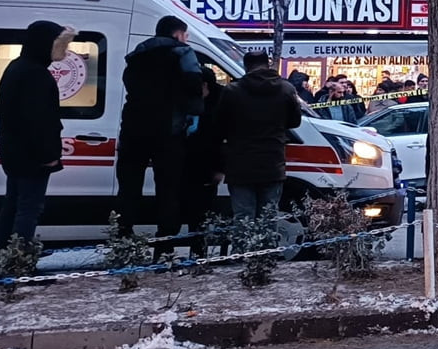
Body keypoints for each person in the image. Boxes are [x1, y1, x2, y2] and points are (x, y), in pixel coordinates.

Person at [115, 15, 204, 248]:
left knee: (129, 185)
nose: (186, 39)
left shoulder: (137, 54)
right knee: (168, 188)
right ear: (177, 34)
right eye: (185, 35)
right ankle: (165, 241)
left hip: (133, 127)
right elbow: (194, 85)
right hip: (168, 129)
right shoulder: (182, 52)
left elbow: (130, 84)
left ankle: (123, 236)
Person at [0, 21, 75, 250]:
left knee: (12, 206)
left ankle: (4, 255)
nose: (64, 50)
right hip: (32, 157)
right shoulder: (36, 74)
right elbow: (39, 121)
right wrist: (48, 155)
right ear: (46, 44)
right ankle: (18, 261)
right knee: (28, 209)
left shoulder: (18, 67)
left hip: (15, 153)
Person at [216, 51, 303, 221]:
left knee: (243, 218)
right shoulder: (286, 89)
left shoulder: (232, 91)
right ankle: (267, 248)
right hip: (272, 162)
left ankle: (245, 248)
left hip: (240, 163)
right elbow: (295, 122)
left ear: (246, 66)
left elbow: (219, 125)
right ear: (268, 64)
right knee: (268, 217)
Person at [182, 68, 225, 255]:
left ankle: (200, 252)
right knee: (191, 211)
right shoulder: (191, 99)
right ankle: (196, 250)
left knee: (204, 212)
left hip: (208, 165)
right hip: (188, 163)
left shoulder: (219, 103)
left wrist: (219, 168)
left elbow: (221, 138)